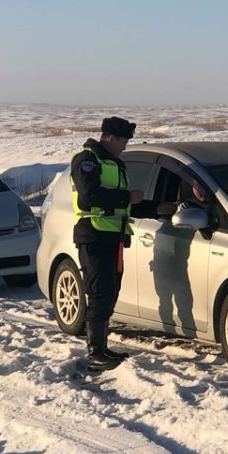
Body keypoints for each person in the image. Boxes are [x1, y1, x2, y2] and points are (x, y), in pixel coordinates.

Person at [70, 116, 144, 371]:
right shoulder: (87, 160)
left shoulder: (113, 162)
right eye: (123, 141)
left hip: (113, 238)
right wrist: (127, 197)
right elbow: (89, 196)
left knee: (110, 292)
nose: (125, 146)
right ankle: (95, 352)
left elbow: (124, 203)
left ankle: (102, 347)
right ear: (110, 137)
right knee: (99, 293)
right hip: (94, 236)